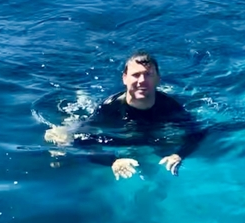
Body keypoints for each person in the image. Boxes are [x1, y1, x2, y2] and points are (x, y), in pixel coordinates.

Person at [44, 52, 204, 180]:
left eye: (148, 74)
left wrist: (179, 154)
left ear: (158, 79)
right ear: (125, 78)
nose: (142, 80)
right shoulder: (110, 109)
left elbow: (197, 133)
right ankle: (79, 91)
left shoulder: (170, 106)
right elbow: (83, 140)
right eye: (136, 75)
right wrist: (113, 161)